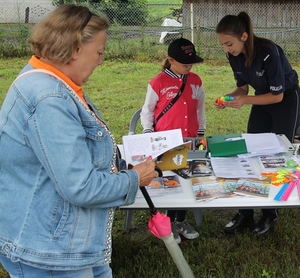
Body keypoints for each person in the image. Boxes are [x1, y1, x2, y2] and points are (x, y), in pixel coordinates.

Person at [0, 4, 157, 278]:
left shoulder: (54, 84)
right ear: (74, 48)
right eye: (98, 52)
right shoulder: (50, 98)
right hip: (50, 252)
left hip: (67, 244)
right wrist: (134, 179)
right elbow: (80, 186)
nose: (101, 61)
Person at [215, 11, 300, 237]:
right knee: (249, 151)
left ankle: (269, 214)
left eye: (229, 43)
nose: (226, 49)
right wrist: (229, 97)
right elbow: (242, 88)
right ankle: (245, 211)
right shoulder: (234, 56)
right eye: (223, 44)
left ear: (244, 36)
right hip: (261, 98)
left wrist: (244, 100)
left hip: (285, 100)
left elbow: (278, 96)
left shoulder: (269, 52)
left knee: (278, 155)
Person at [140, 38, 206, 244]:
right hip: (166, 140)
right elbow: (147, 110)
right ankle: (168, 221)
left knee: (187, 178)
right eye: (185, 64)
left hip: (190, 138)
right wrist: (148, 132)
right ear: (170, 60)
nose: (189, 67)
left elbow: (200, 107)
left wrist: (201, 131)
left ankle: (181, 220)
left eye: (191, 63)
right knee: (171, 179)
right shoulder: (158, 82)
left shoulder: (196, 80)